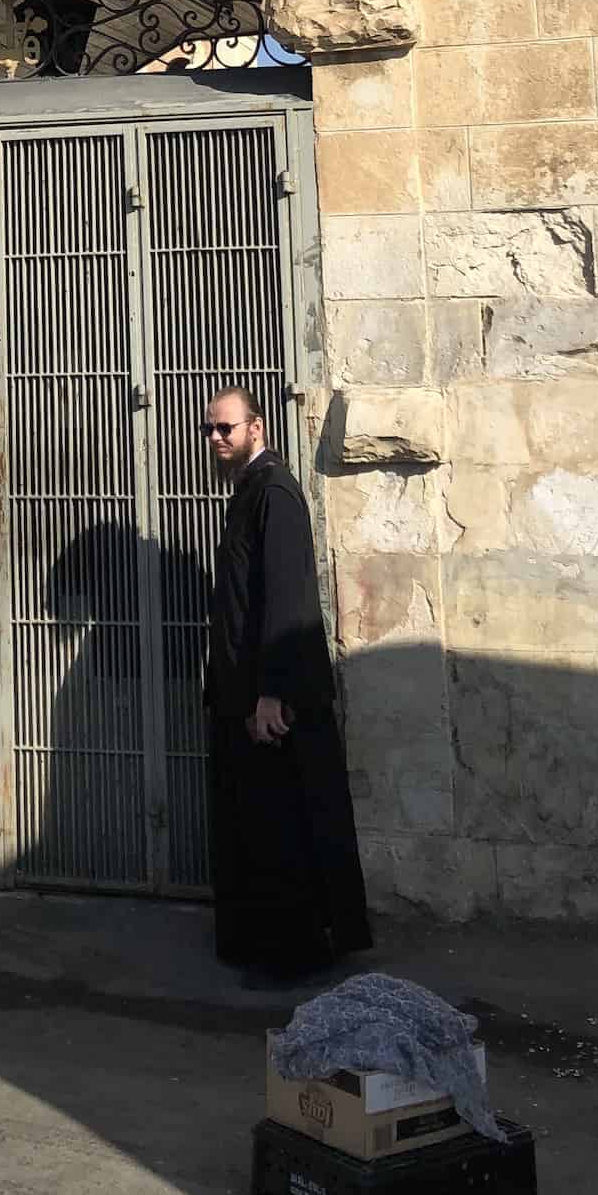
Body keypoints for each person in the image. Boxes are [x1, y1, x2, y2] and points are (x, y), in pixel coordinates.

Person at [202, 386, 370, 984]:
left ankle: (294, 954)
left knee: (281, 826)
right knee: (260, 822)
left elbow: (287, 596)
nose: (217, 439)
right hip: (248, 693)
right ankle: (264, 943)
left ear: (257, 427)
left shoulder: (275, 492)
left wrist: (270, 693)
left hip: (270, 700)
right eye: (211, 430)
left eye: (227, 428)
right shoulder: (251, 491)